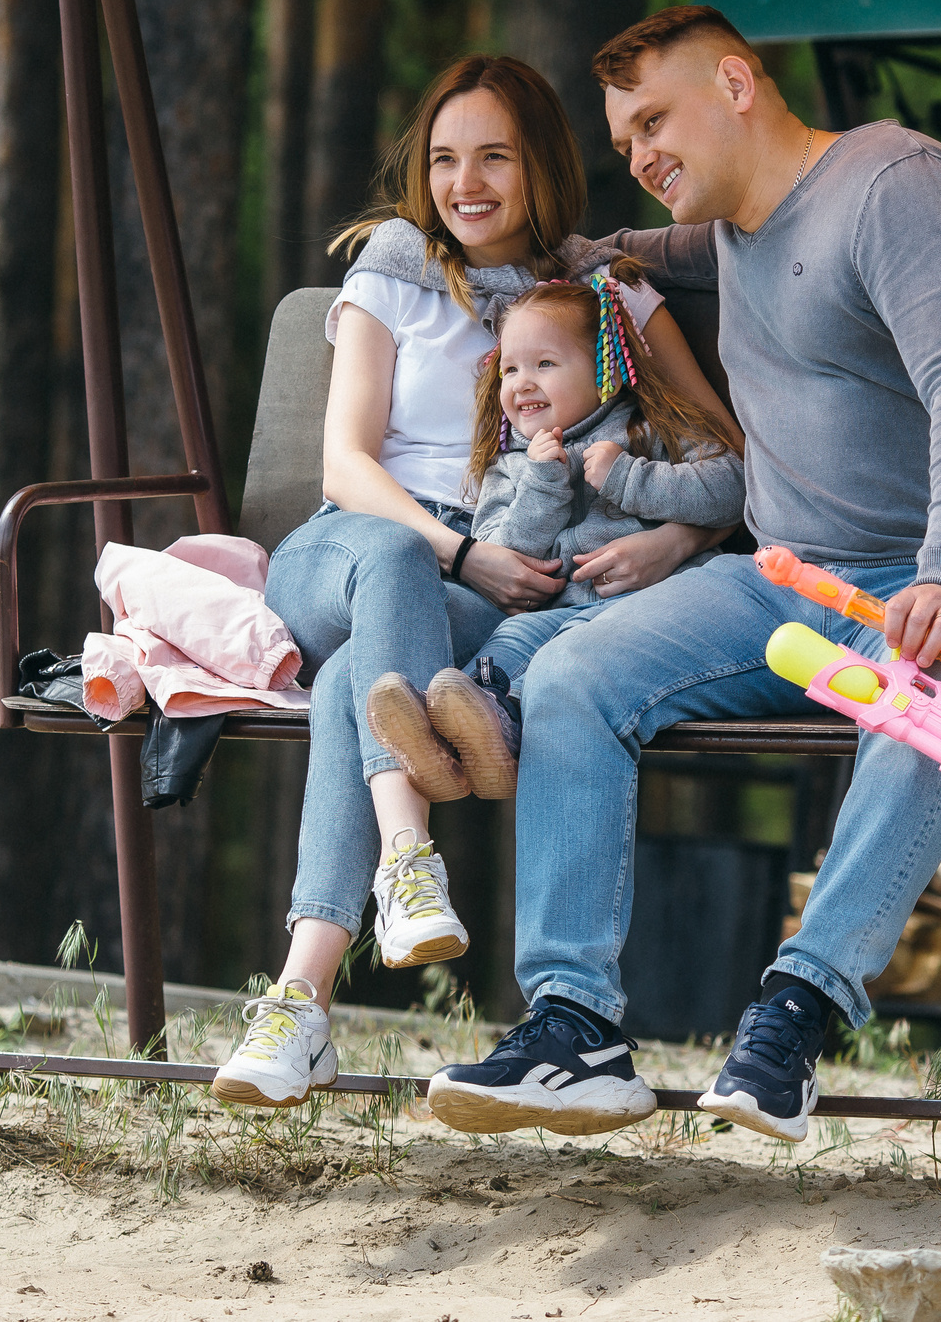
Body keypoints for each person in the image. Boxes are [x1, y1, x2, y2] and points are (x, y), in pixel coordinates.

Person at [426, 7, 941, 1142]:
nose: (641, 154)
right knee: (573, 675)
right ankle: (574, 1027)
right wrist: (464, 237)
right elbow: (614, 254)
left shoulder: (896, 187)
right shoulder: (727, 229)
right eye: (624, 141)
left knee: (917, 695)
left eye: (654, 122)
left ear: (735, 84)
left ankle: (796, 1014)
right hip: (781, 585)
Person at [209, 54, 734, 1109]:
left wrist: (673, 544)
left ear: (541, 163)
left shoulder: (604, 290)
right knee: (390, 568)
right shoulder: (395, 265)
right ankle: (408, 856)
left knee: (359, 680)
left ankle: (298, 1004)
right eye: (445, 159)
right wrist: (458, 554)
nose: (465, 183)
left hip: (478, 585)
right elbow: (345, 465)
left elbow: (724, 447)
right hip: (355, 545)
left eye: (494, 155)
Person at [386, 267, 745, 803]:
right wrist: (542, 485)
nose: (522, 382)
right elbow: (501, 553)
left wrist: (630, 478)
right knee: (508, 645)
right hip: (554, 616)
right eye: (510, 369)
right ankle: (469, 730)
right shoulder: (511, 465)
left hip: (649, 612)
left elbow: (733, 487)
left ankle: (477, 725)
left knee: (556, 657)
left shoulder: (648, 428)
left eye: (545, 364)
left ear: (606, 370)